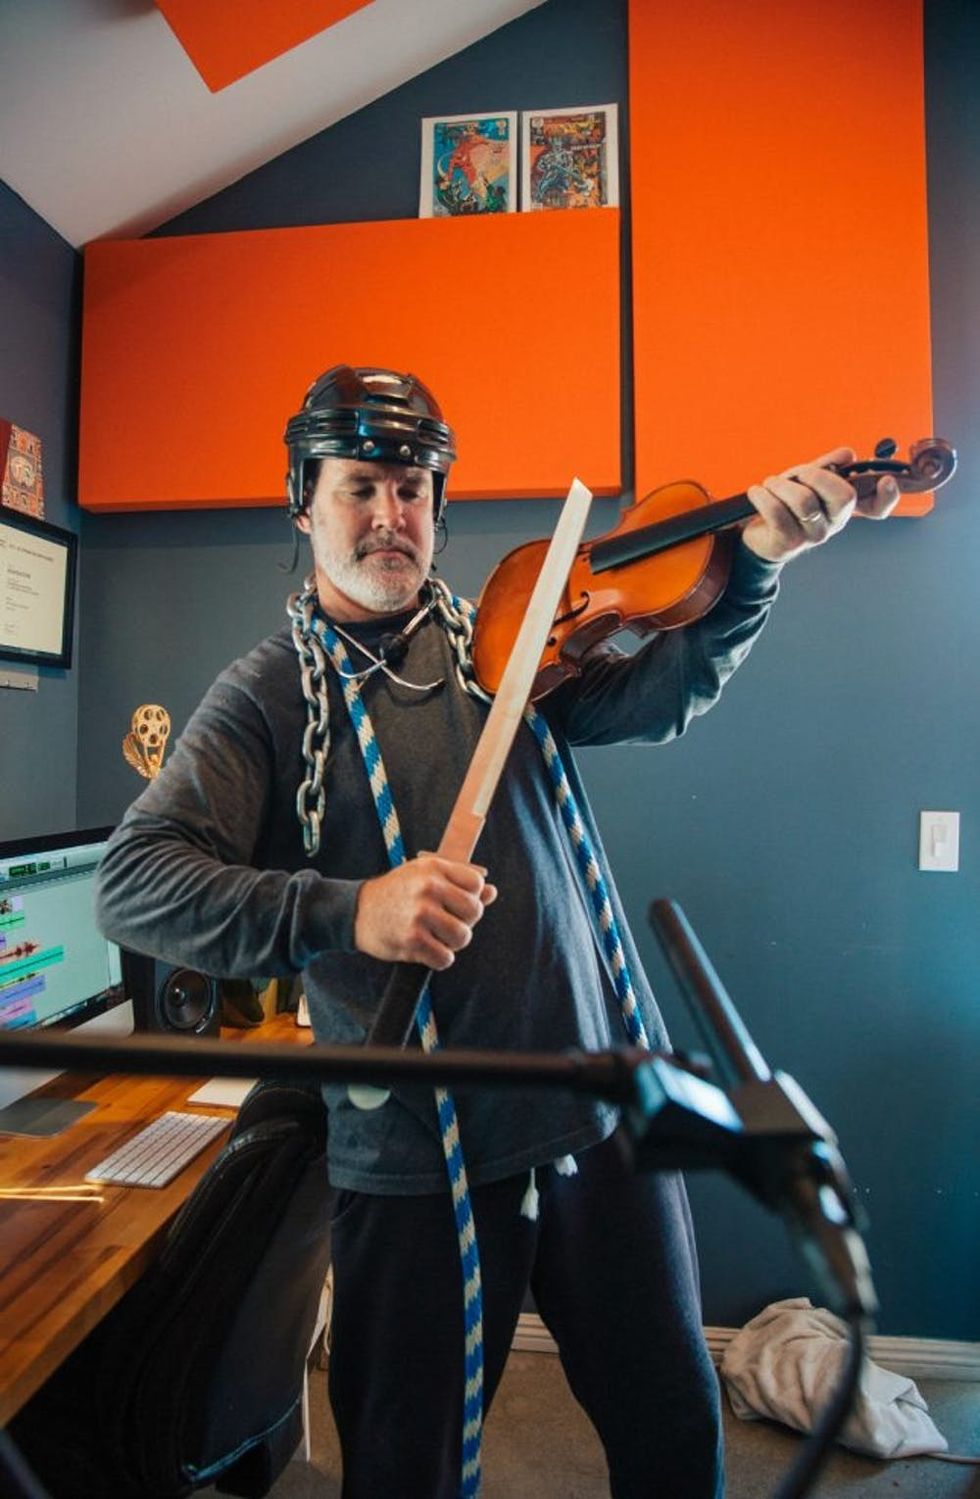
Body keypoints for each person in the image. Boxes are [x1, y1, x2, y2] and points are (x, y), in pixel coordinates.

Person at [95, 366, 899, 1499]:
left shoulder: (507, 638)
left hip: (596, 1111)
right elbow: (134, 883)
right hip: (411, 1157)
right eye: (361, 485)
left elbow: (654, 696)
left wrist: (754, 563)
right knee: (406, 1466)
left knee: (672, 1427)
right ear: (303, 503)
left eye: (414, 488)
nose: (392, 514)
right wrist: (352, 909)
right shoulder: (264, 698)